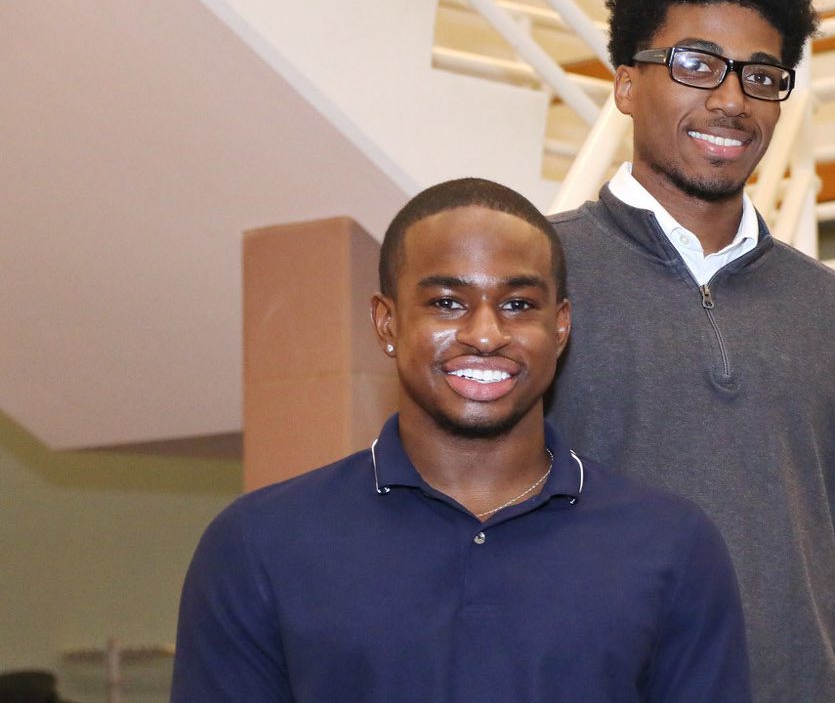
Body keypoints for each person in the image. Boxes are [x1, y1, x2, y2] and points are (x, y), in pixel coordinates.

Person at [172, 179, 750, 703]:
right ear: (387, 323)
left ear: (560, 327)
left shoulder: (671, 545)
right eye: (447, 303)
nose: (484, 333)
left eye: (518, 305)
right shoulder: (258, 545)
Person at [545, 0, 835, 703]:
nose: (730, 99)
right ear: (624, 83)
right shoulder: (536, 280)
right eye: (695, 63)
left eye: (761, 75)